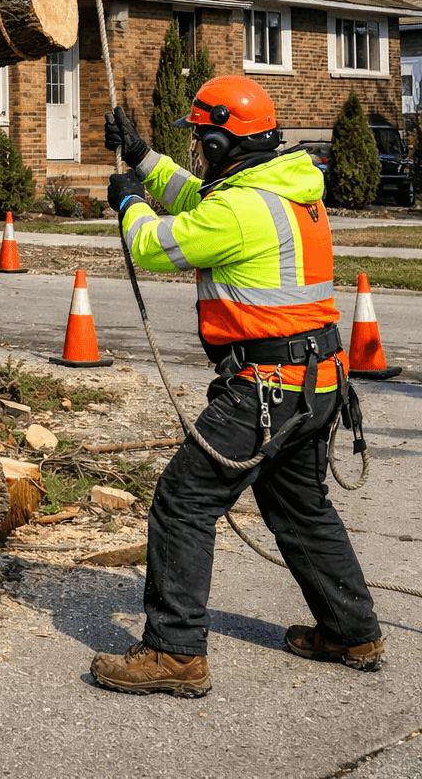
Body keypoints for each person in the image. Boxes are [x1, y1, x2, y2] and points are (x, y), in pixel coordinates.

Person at [90, 76, 383, 697]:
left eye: (201, 138)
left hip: (266, 387)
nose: (196, 148)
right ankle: (352, 629)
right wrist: (144, 157)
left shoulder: (242, 211)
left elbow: (153, 244)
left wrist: (127, 200)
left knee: (184, 499)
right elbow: (198, 194)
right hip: (316, 382)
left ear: (225, 143)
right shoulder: (283, 190)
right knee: (300, 508)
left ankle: (174, 652)